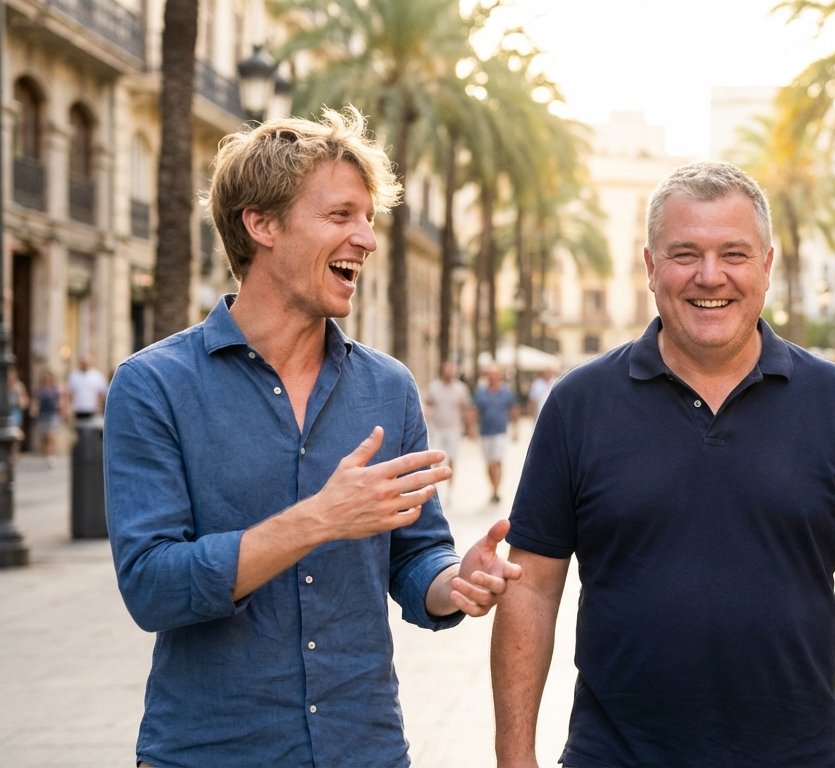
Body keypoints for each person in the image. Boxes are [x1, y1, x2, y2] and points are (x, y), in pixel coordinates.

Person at [103, 107, 522, 768]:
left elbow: (415, 557)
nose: (367, 238)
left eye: (370, 219)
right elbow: (152, 587)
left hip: (365, 748)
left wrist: (454, 581)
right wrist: (318, 520)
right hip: (211, 753)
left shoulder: (387, 388)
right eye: (341, 216)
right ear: (261, 224)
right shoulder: (153, 385)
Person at [490, 161, 835, 768]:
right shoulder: (578, 404)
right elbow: (531, 588)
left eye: (734, 254)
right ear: (650, 267)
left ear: (767, 267)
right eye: (685, 253)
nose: (710, 276)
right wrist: (514, 758)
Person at [424, 359, 472, 506]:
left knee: (452, 459)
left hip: (454, 429)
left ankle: (450, 491)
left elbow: (466, 408)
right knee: (436, 458)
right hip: (437, 428)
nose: (449, 372)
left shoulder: (461, 389)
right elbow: (427, 404)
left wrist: (470, 428)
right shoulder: (434, 387)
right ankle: (436, 488)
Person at [469, 363, 518, 504]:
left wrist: (515, 429)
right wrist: (471, 429)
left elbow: (513, 410)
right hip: (485, 433)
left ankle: (496, 491)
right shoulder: (480, 393)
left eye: (495, 375)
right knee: (489, 464)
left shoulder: (505, 392)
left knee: (497, 460)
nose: (493, 378)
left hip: (500, 432)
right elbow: (474, 411)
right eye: (490, 376)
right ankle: (493, 488)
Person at [31, 369, 63, 466]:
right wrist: (34, 411)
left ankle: (51, 456)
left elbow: (60, 402)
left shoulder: (55, 390)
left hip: (52, 415)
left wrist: (62, 411)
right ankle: (48, 455)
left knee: (51, 436)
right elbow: (36, 402)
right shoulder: (40, 391)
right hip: (43, 415)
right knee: (46, 438)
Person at [66, 355, 106, 424]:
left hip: (92, 409)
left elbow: (101, 394)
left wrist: (99, 406)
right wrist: (68, 409)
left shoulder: (97, 375)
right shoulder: (74, 376)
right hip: (78, 408)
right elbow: (70, 393)